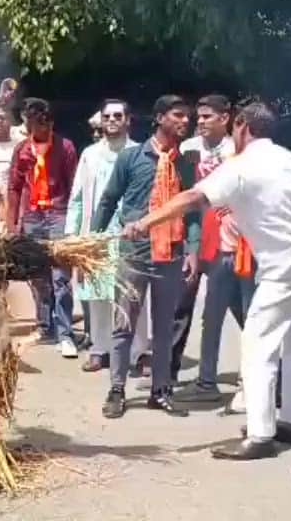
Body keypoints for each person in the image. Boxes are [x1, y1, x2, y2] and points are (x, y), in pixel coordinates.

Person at [125, 101, 291, 460]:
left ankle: (260, 435)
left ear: (241, 126)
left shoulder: (241, 166)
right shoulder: (289, 160)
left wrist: (143, 224)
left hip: (278, 267)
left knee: (258, 347)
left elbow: (193, 197)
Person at [94, 95, 200, 418]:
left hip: (170, 254)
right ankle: (117, 389)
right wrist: (94, 241)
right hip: (134, 254)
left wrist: (193, 250)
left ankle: (160, 390)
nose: (185, 121)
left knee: (165, 327)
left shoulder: (185, 164)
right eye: (178, 115)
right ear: (159, 118)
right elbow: (109, 200)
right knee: (123, 324)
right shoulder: (131, 157)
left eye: (187, 116)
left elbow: (193, 211)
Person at [173, 94, 253, 403]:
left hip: (235, 242)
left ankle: (257, 377)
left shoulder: (239, 150)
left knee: (246, 313)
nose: (201, 121)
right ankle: (206, 380)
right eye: (199, 117)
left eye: (208, 116)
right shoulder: (188, 150)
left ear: (225, 117)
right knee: (208, 313)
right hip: (200, 239)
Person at [65, 99, 139, 372]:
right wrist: (73, 237)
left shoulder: (139, 153)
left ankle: (138, 352)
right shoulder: (90, 155)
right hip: (96, 234)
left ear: (128, 120)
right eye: (107, 116)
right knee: (97, 294)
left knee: (131, 294)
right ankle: (100, 349)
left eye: (118, 116)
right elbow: (77, 199)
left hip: (130, 235)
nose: (112, 120)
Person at [7, 97, 79, 357]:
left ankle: (65, 332)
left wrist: (74, 221)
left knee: (61, 276)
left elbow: (73, 186)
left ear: (48, 122)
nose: (33, 128)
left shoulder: (65, 147)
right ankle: (45, 323)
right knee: (38, 276)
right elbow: (14, 187)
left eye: (37, 123)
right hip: (32, 216)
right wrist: (13, 224)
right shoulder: (22, 149)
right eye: (28, 122)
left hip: (58, 213)